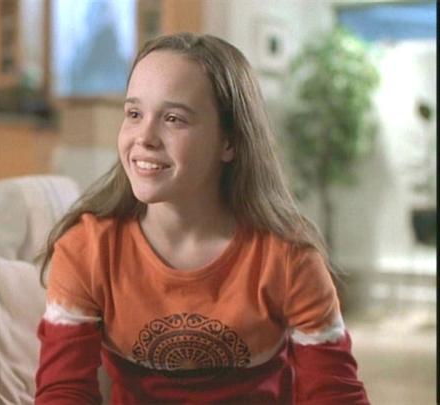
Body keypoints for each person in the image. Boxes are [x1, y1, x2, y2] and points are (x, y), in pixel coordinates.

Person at [35, 32, 370, 404]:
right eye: (134, 114)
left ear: (229, 142)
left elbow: (334, 394)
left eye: (174, 119)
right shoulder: (85, 249)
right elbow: (63, 391)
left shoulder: (290, 259)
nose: (144, 137)